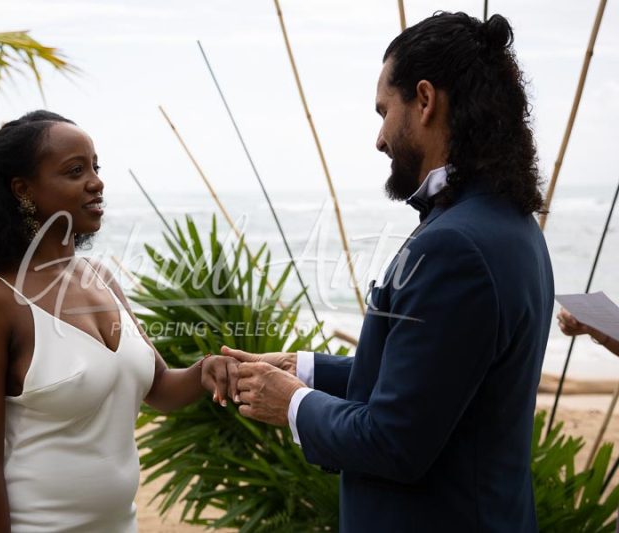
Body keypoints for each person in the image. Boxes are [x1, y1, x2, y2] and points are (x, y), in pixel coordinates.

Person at [219, 12, 554, 532]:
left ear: (424, 100)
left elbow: (395, 440)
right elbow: (431, 385)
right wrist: (303, 368)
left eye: (383, 111)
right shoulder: (510, 223)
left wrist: (292, 404)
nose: (378, 139)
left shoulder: (455, 245)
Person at [0, 110, 237, 532]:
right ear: (23, 191)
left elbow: (159, 387)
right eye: (75, 171)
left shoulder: (101, 279)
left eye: (95, 166)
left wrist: (206, 371)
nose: (96, 181)